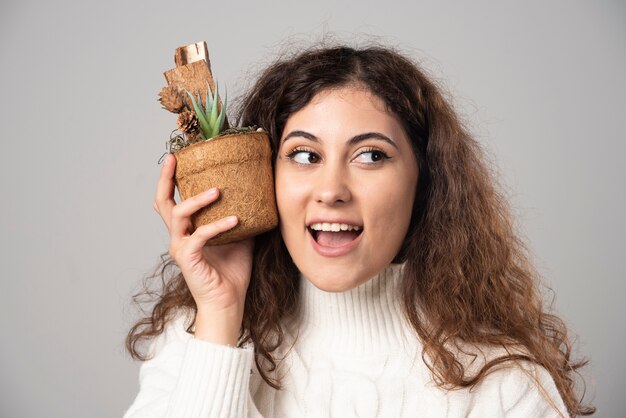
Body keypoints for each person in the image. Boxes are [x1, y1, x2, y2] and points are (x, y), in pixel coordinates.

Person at [124, 43, 595, 417]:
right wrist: (222, 313)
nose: (331, 190)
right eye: (305, 155)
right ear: (264, 175)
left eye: (371, 155)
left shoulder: (503, 384)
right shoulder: (193, 341)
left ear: (426, 180)